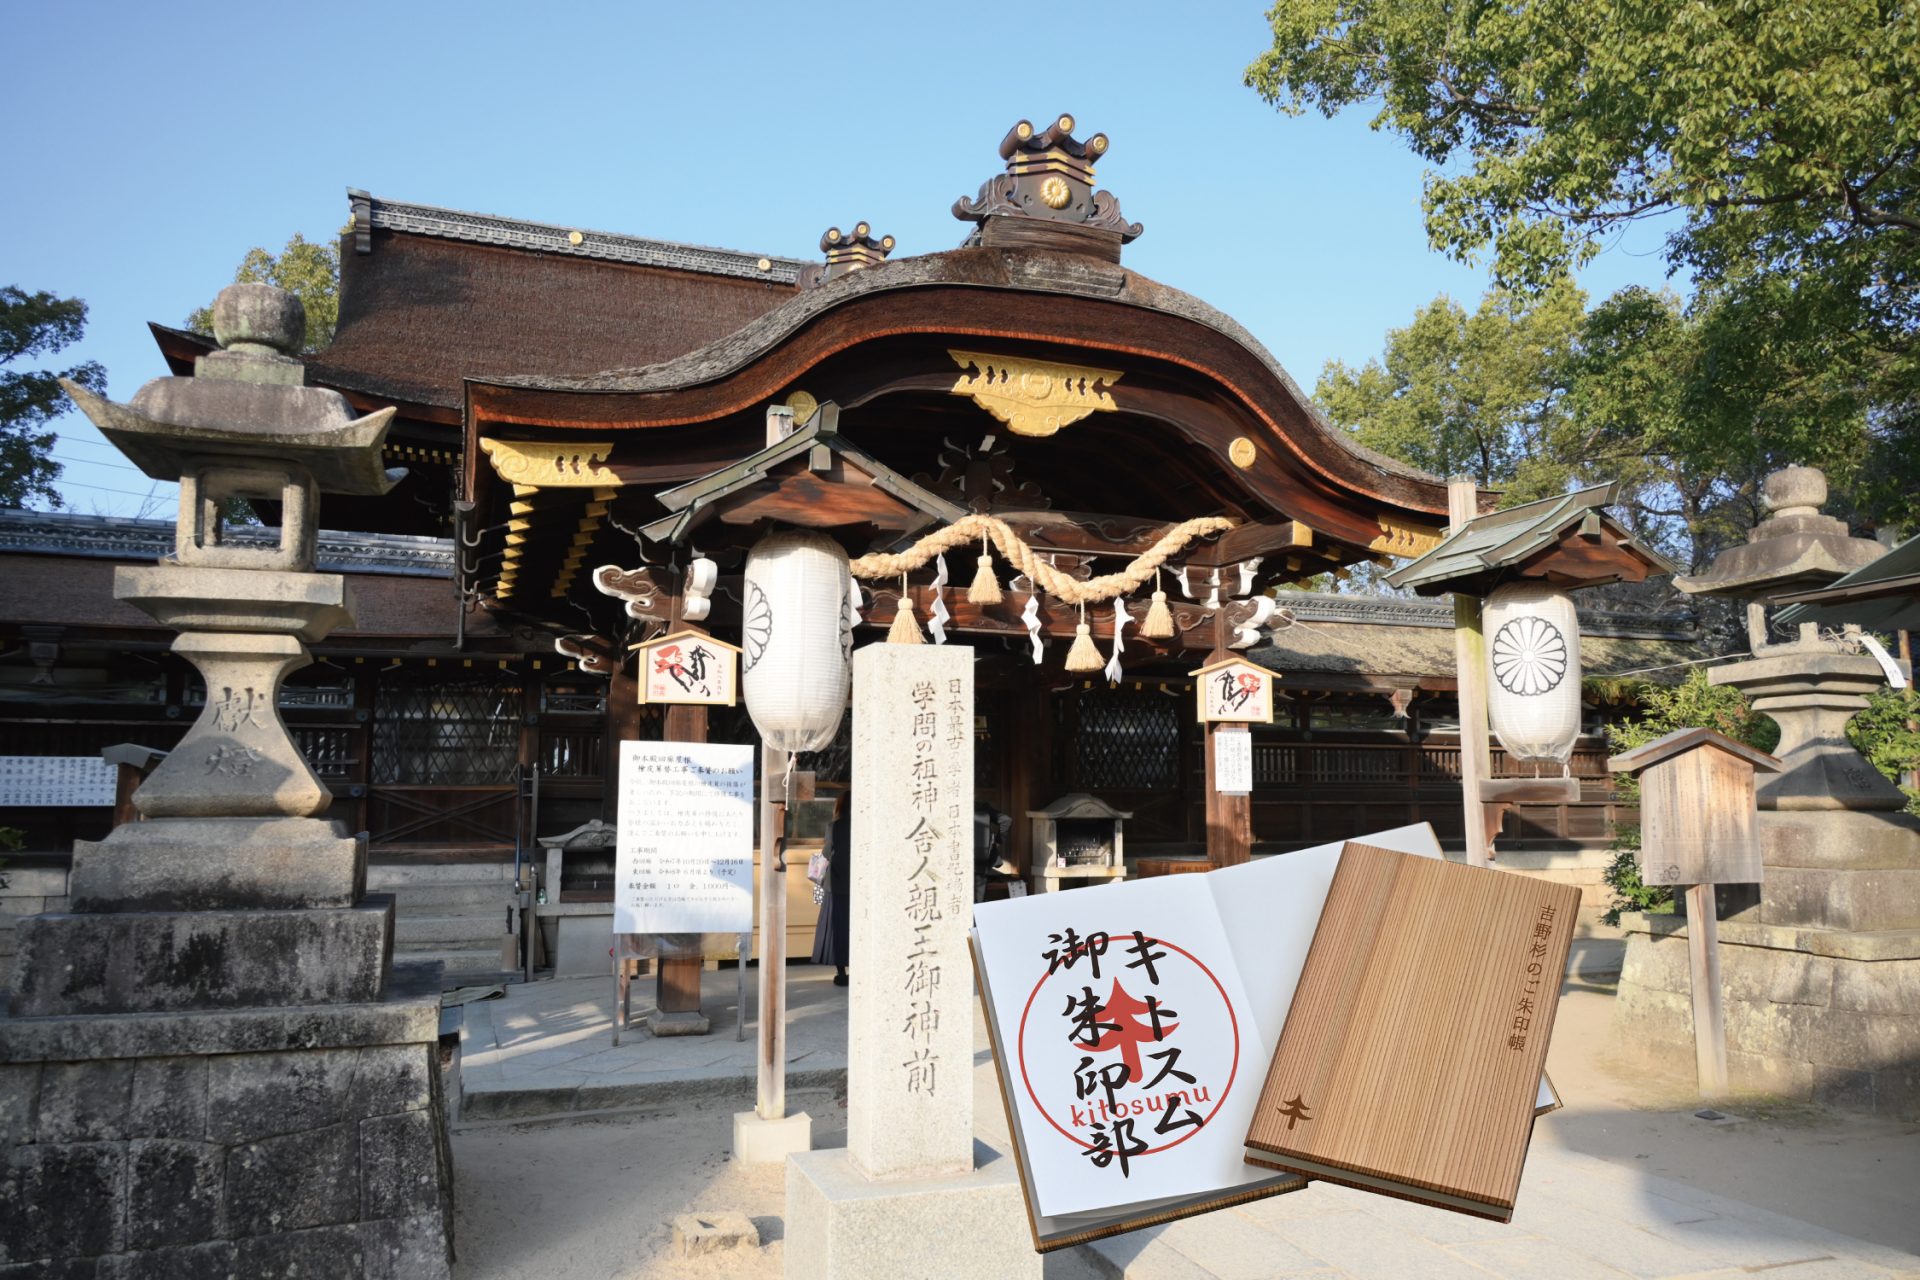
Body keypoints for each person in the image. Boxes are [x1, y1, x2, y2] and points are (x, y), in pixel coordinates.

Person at [810, 791, 852, 985]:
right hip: (858, 886)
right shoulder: (865, 827)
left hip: (835, 885)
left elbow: (826, 853)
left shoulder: (833, 827)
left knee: (837, 928)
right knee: (853, 928)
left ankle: (841, 972)